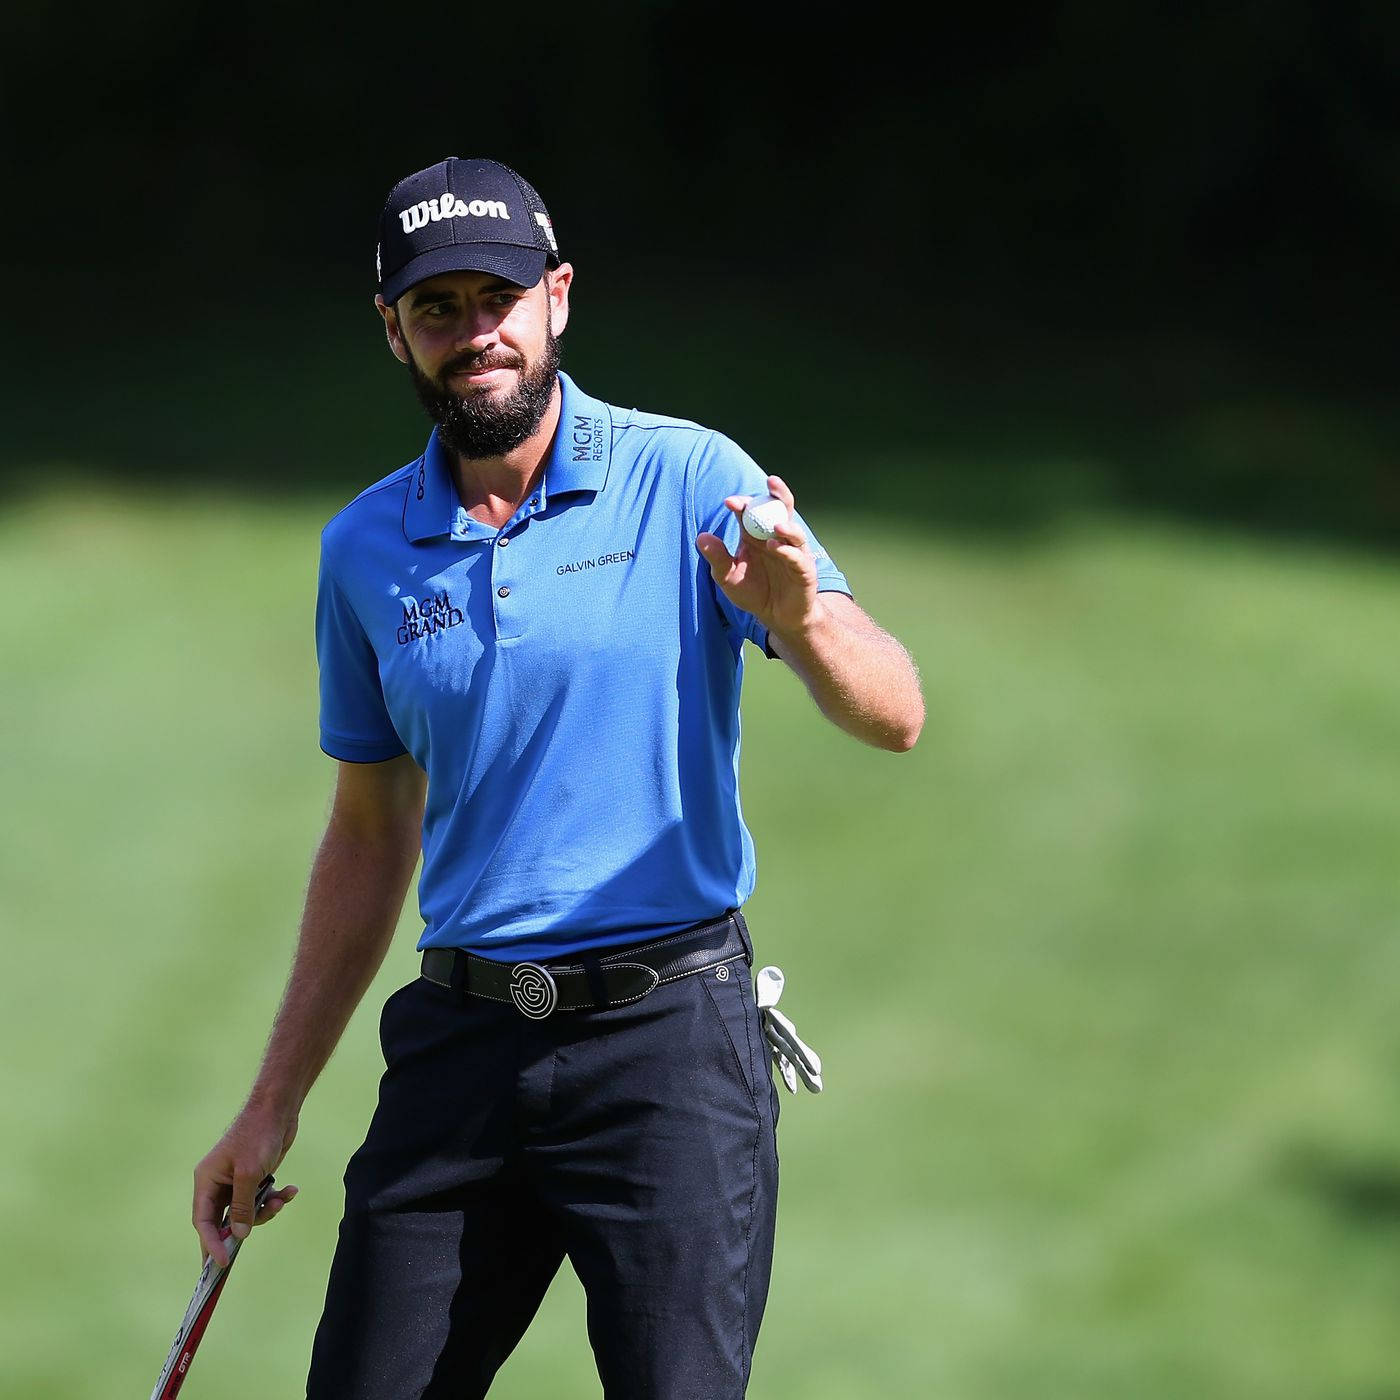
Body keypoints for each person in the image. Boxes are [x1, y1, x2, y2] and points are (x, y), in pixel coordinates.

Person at [192, 155, 924, 1399]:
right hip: (462, 1048)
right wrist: (271, 1102)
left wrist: (797, 618)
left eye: (497, 297)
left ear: (557, 299)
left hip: (667, 1050)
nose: (473, 333)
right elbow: (370, 836)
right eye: (436, 308)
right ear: (393, 332)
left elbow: (894, 711)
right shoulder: (365, 547)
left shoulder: (687, 474)